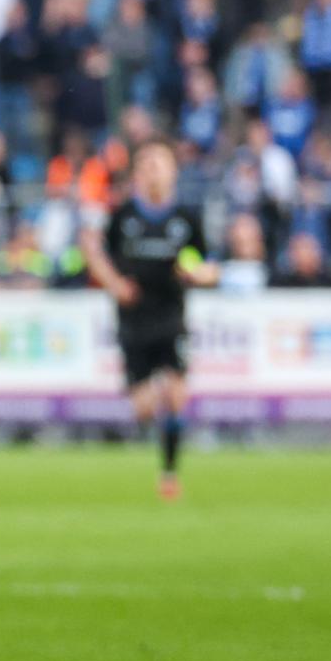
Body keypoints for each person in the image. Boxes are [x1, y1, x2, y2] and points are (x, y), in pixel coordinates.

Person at [82, 140, 217, 501]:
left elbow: (208, 266)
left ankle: (170, 475)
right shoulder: (124, 216)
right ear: (138, 174)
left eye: (160, 161)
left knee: (175, 395)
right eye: (146, 163)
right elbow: (96, 254)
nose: (153, 169)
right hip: (133, 320)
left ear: (173, 170)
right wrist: (115, 284)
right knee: (144, 407)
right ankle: (156, 426)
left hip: (171, 316)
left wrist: (196, 275)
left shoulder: (186, 219)